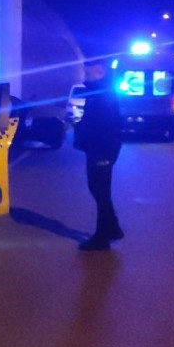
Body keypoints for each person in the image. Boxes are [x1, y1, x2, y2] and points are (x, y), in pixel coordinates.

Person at [73, 57, 124, 251]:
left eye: (89, 69)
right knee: (98, 189)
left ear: (100, 71)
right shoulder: (93, 90)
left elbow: (106, 124)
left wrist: (104, 150)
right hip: (95, 147)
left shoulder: (104, 93)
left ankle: (102, 237)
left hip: (101, 149)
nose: (86, 72)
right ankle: (113, 229)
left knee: (101, 191)